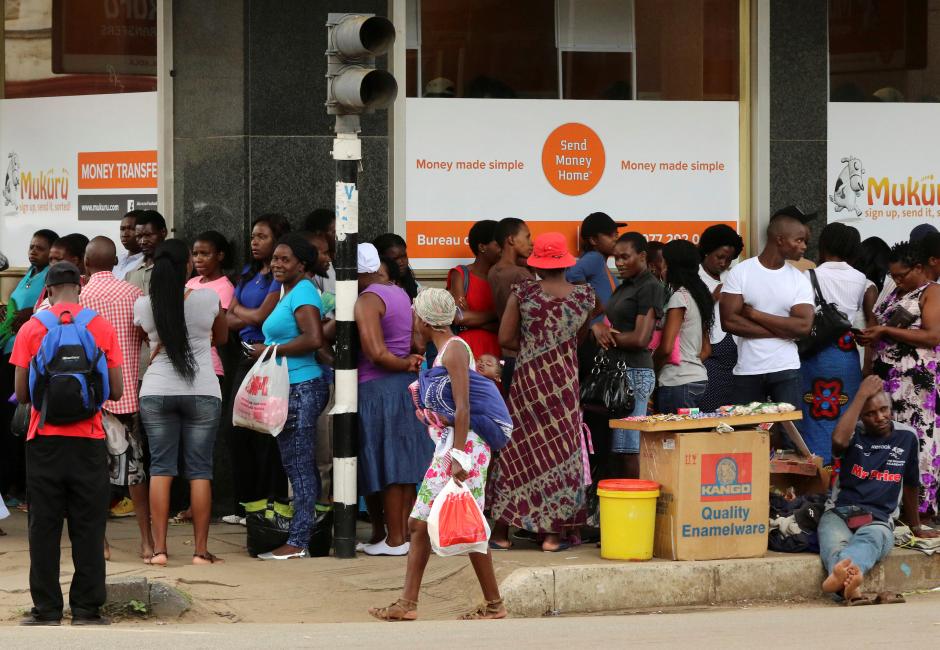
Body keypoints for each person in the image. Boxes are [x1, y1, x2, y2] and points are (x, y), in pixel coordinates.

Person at [369, 289, 505, 621]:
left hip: (465, 445)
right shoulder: (443, 351)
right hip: (455, 444)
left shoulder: (454, 351)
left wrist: (458, 455)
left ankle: (486, 605)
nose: (412, 319)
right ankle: (411, 603)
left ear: (425, 319)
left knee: (439, 523)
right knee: (426, 523)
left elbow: (463, 407)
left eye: (415, 313)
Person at [11, 262, 123, 625]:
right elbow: (117, 389)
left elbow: (21, 394)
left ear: (47, 289)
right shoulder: (100, 326)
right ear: (81, 285)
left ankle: (46, 610)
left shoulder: (32, 327)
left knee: (43, 527)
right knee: (88, 526)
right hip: (88, 440)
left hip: (43, 439)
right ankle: (88, 610)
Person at [489, 233, 595, 552]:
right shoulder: (584, 297)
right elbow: (581, 337)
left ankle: (502, 533)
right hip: (563, 384)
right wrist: (556, 350)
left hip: (527, 382)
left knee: (518, 453)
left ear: (537, 262)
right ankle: (551, 536)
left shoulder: (524, 293)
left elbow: (506, 337)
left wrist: (535, 350)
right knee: (559, 456)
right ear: (565, 262)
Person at [134, 239, 228, 566]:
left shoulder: (144, 304)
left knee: (160, 468)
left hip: (157, 391)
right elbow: (224, 337)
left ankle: (159, 550)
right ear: (187, 264)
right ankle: (200, 552)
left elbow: (145, 339)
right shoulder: (208, 298)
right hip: (202, 390)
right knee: (200, 470)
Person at [820, 375, 938, 604]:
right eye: (870, 414)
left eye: (884, 409)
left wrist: (915, 526)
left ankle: (838, 581)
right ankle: (850, 586)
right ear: (862, 417)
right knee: (833, 543)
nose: (880, 417)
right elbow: (838, 442)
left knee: (871, 541)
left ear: (891, 407)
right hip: (839, 513)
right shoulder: (853, 433)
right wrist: (861, 394)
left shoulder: (907, 436)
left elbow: (912, 483)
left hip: (879, 519)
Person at [251, 234, 328, 560]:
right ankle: (304, 536)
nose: (276, 264)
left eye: (285, 259)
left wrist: (268, 349)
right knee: (298, 465)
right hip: (288, 386)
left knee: (298, 468)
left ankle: (298, 541)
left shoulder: (305, 292)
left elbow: (313, 339)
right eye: (275, 259)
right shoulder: (289, 291)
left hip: (301, 386)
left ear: (302, 263)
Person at [355, 243, 432, 556]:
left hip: (378, 387)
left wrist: (404, 362)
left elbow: (375, 353)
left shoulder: (368, 299)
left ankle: (395, 539)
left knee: (385, 463)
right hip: (403, 386)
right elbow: (414, 339)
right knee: (400, 462)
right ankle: (392, 537)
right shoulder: (398, 292)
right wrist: (410, 362)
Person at [80, 237, 150, 559]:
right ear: (115, 262)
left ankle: (102, 544)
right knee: (136, 473)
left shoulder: (81, 298)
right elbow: (144, 337)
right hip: (128, 399)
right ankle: (147, 542)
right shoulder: (134, 294)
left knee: (94, 475)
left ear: (86, 262)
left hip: (93, 402)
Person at [860, 241, 940, 517]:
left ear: (919, 268)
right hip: (887, 380)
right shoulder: (895, 291)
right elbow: (879, 324)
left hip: (915, 384)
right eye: (893, 275)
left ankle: (919, 509)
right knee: (889, 440)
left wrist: (885, 332)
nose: (896, 280)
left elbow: (932, 336)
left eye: (902, 275)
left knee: (917, 441)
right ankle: (889, 504)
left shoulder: (932, 292)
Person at [224, 214, 292, 524]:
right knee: (239, 429)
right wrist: (244, 314)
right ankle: (245, 505)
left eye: (262, 236)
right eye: (252, 236)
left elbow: (263, 317)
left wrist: (242, 312)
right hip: (243, 355)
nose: (254, 242)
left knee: (266, 433)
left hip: (268, 357)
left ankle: (269, 503)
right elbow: (228, 319)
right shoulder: (248, 274)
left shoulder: (279, 280)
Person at [719, 214, 814, 406]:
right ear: (780, 239)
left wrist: (755, 315)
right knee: (747, 434)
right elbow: (728, 321)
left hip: (786, 368)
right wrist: (782, 331)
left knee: (790, 433)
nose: (804, 246)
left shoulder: (799, 279)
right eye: (799, 240)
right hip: (748, 369)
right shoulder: (742, 272)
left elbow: (803, 327)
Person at [798, 224, 873, 464]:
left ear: (823, 245)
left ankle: (816, 473)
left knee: (813, 413)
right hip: (846, 356)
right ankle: (843, 472)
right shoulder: (862, 280)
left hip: (814, 354)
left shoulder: (808, 276)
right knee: (845, 413)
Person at [591, 232, 664, 479]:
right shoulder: (625, 285)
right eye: (615, 258)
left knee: (627, 448)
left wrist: (605, 335)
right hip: (616, 372)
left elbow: (640, 338)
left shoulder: (650, 286)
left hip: (633, 373)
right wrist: (597, 327)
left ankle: (634, 507)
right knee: (615, 448)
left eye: (625, 257)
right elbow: (600, 317)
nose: (619, 263)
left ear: (642, 256)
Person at [0, 229, 58, 507]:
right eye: (32, 246)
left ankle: (22, 486)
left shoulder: (50, 277)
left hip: (29, 358)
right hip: (10, 352)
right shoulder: (30, 275)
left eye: (40, 248)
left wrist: (30, 315)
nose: (33, 252)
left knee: (21, 420)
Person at [655, 240, 715, 412]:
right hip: (698, 380)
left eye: (664, 263)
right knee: (688, 438)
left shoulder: (679, 298)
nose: (662, 268)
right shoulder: (699, 296)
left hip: (676, 382)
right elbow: (706, 350)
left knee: (672, 439)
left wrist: (650, 368)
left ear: (672, 266)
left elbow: (666, 348)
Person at [697, 224, 744, 411]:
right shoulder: (694, 278)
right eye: (720, 257)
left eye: (729, 259)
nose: (724, 263)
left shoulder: (733, 277)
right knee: (710, 413)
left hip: (736, 353)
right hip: (710, 352)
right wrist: (712, 298)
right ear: (707, 251)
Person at [487, 218, 534, 391]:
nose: (532, 243)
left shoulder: (493, 271)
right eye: (527, 237)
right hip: (524, 355)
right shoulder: (521, 274)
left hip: (506, 357)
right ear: (511, 239)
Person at [447, 219, 501, 359]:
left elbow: (505, 325)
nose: (502, 249)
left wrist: (473, 319)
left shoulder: (504, 277)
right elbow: (459, 317)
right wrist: (496, 314)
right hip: (468, 348)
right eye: (497, 244)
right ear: (482, 247)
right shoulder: (460, 274)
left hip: (498, 350)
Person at [186, 230, 235, 379]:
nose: (198, 259)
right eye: (195, 254)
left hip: (209, 364)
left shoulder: (225, 287)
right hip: (186, 361)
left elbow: (217, 327)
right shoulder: (192, 282)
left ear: (220, 256)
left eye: (205, 254)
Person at [567, 212, 625, 322]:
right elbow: (572, 274)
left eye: (616, 234)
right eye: (609, 235)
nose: (616, 239)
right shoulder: (595, 258)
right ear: (593, 240)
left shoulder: (600, 262)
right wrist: (597, 307)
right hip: (595, 335)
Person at [125, 210, 168, 295]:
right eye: (139, 236)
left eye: (148, 235)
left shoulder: (175, 268)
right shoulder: (130, 273)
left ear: (163, 232)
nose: (142, 241)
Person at [373, 233, 419, 301]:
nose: (401, 262)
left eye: (404, 256)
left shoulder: (412, 284)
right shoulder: (374, 290)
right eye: (395, 259)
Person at [113, 210, 144, 280]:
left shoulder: (147, 263)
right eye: (122, 229)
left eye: (130, 229)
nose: (124, 234)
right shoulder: (117, 260)